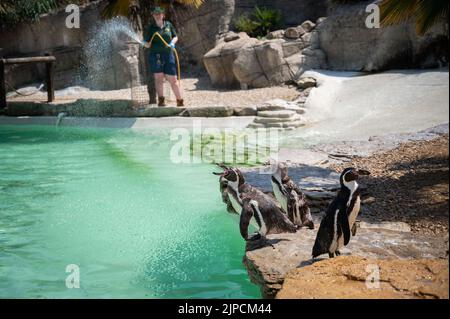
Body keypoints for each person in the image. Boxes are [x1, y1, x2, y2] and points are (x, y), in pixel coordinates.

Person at [142, 6, 184, 107]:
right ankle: (161, 101)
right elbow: (146, 42)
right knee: (158, 78)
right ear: (153, 15)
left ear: (163, 15)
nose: (157, 15)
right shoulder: (151, 28)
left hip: (168, 54)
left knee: (173, 79)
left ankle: (180, 101)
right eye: (155, 14)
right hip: (155, 55)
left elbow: (175, 36)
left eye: (159, 13)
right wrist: (146, 44)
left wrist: (173, 43)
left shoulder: (168, 25)